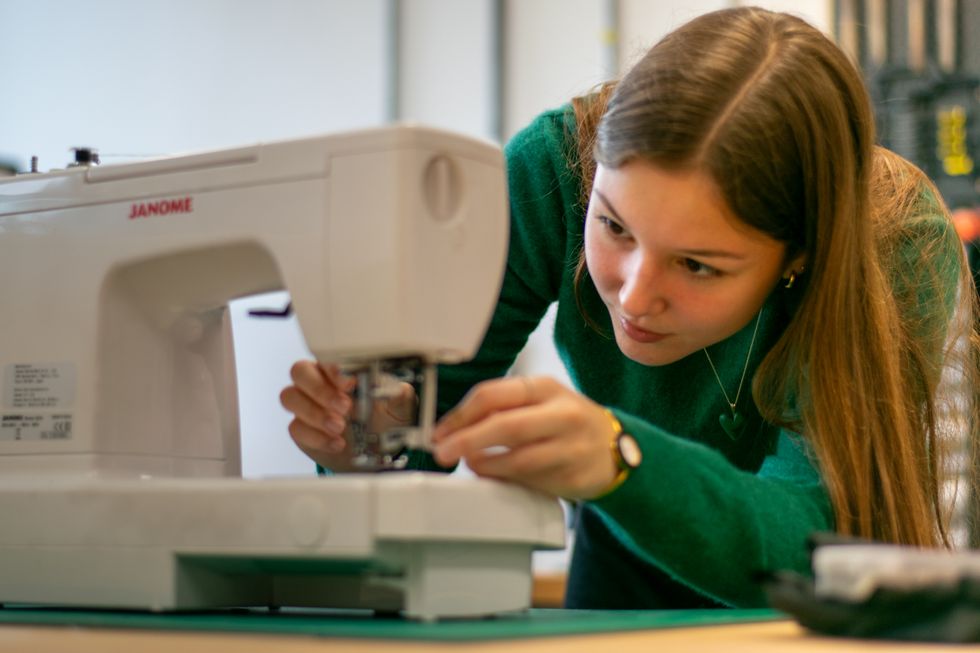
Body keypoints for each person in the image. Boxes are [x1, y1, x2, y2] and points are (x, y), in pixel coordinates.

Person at [280, 7, 979, 608]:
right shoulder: (553, 171)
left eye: (698, 264)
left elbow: (818, 540)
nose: (636, 297)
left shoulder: (892, 242)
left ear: (798, 256)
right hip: (620, 563)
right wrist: (360, 450)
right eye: (614, 226)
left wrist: (621, 456)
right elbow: (417, 436)